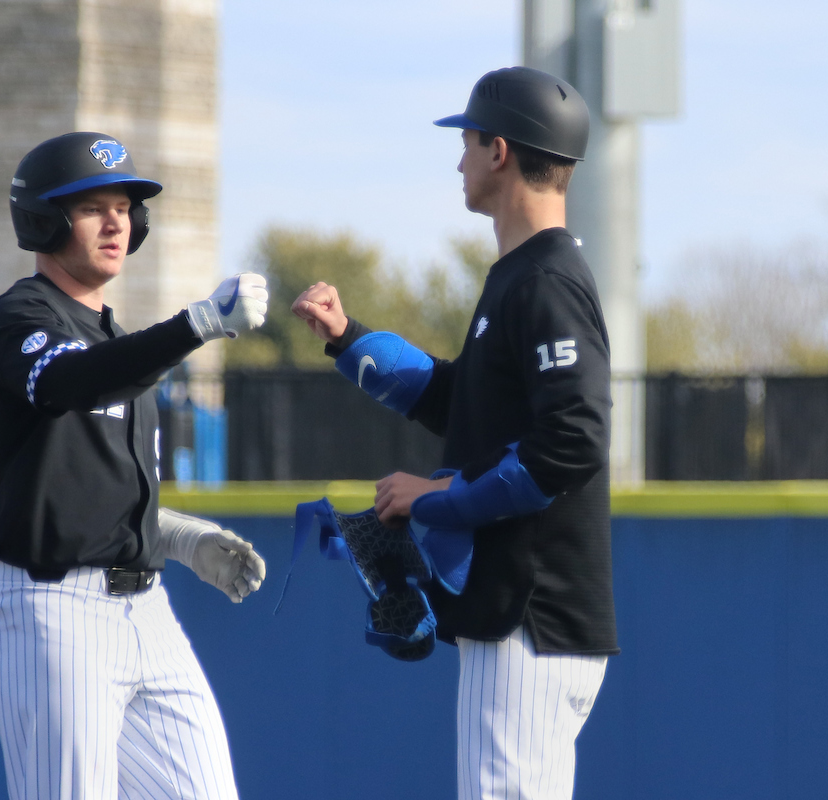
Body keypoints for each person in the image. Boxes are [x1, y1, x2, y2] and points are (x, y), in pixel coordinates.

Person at [291, 67, 619, 800]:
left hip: (528, 620)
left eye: (468, 142)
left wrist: (437, 501)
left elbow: (573, 441)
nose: (459, 160)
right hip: (529, 623)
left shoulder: (545, 280)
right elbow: (459, 400)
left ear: (499, 151)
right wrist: (349, 340)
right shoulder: (520, 276)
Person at [0, 131, 268, 800]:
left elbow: (91, 485)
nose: (115, 222)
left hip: (146, 611)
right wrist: (195, 325)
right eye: (91, 206)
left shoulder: (118, 343)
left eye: (125, 207)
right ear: (45, 219)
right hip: (55, 610)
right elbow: (70, 382)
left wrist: (177, 536)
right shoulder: (17, 319)